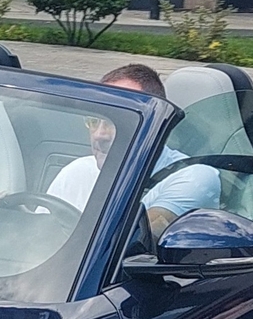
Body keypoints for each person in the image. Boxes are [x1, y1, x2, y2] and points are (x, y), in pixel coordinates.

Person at [47, 63, 168, 210]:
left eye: (114, 121)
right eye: (93, 120)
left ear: (151, 125)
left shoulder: (187, 176)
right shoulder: (74, 172)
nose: (99, 135)